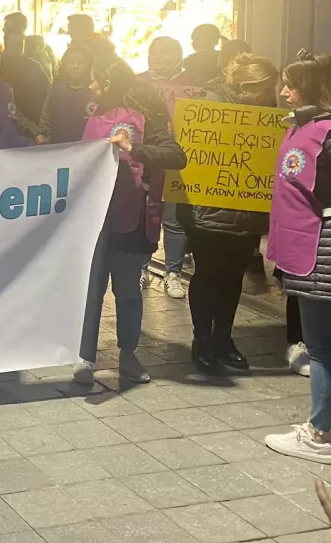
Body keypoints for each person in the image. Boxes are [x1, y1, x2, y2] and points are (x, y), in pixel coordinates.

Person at [73, 57, 187, 386]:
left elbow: (176, 156)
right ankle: (84, 357)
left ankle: (128, 355)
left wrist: (134, 149)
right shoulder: (93, 114)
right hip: (94, 221)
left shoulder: (147, 116)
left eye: (95, 80)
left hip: (131, 220)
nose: (91, 86)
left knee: (127, 292)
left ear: (109, 83)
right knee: (91, 291)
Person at [182, 54, 279, 375]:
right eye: (263, 88)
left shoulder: (270, 113)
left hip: (247, 210)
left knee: (233, 275)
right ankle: (202, 340)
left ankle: (223, 338)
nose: (269, 94)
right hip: (206, 211)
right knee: (208, 273)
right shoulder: (208, 102)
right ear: (243, 86)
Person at [263, 53, 331, 462]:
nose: (285, 92)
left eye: (293, 85)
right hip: (312, 251)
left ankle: (320, 434)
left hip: (320, 252)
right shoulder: (305, 127)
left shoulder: (325, 135)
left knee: (321, 348)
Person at [135, 36, 193, 299]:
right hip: (147, 158)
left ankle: (173, 273)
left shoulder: (192, 85)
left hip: (178, 160)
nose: (160, 57)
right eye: (155, 52)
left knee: (173, 218)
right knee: (146, 215)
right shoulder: (136, 82)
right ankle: (141, 268)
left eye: (166, 52)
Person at [36, 46, 96, 145]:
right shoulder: (55, 91)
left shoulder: (95, 91)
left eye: (81, 62)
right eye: (71, 62)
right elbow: (46, 121)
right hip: (60, 148)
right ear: (65, 65)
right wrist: (43, 137)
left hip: (88, 147)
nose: (76, 66)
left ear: (88, 65)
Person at [0, 13, 50, 126]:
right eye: (13, 44)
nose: (17, 47)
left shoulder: (34, 66)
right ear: (6, 43)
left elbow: (46, 95)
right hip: (3, 119)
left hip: (31, 120)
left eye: (20, 44)